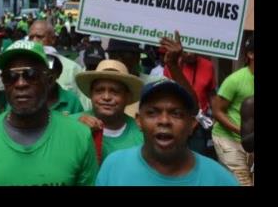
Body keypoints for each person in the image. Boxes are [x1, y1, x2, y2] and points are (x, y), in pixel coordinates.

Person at [0, 40, 98, 186]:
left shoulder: (79, 136)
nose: (21, 84)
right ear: (3, 83)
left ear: (49, 80)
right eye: (11, 76)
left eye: (31, 74)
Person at [96, 80, 238, 186]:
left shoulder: (220, 179)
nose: (164, 120)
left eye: (176, 114)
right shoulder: (114, 166)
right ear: (139, 121)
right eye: (152, 113)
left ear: (192, 125)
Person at [72, 59, 144, 164]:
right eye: (99, 90)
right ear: (91, 94)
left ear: (127, 97)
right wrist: (77, 133)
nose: (106, 97)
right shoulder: (71, 124)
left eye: (115, 91)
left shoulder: (141, 134)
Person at [211, 35, 255, 186]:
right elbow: (217, 111)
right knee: (242, 183)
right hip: (228, 140)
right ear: (250, 54)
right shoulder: (235, 80)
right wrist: (241, 131)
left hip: (250, 141)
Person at [28, 20, 91, 111]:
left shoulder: (72, 68)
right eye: (31, 37)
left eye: (39, 37)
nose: (34, 41)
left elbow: (84, 107)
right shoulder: (22, 68)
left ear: (53, 39)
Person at [105, 38, 160, 117]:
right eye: (113, 55)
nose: (118, 60)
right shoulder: (101, 85)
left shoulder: (155, 85)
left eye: (124, 54)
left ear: (137, 58)